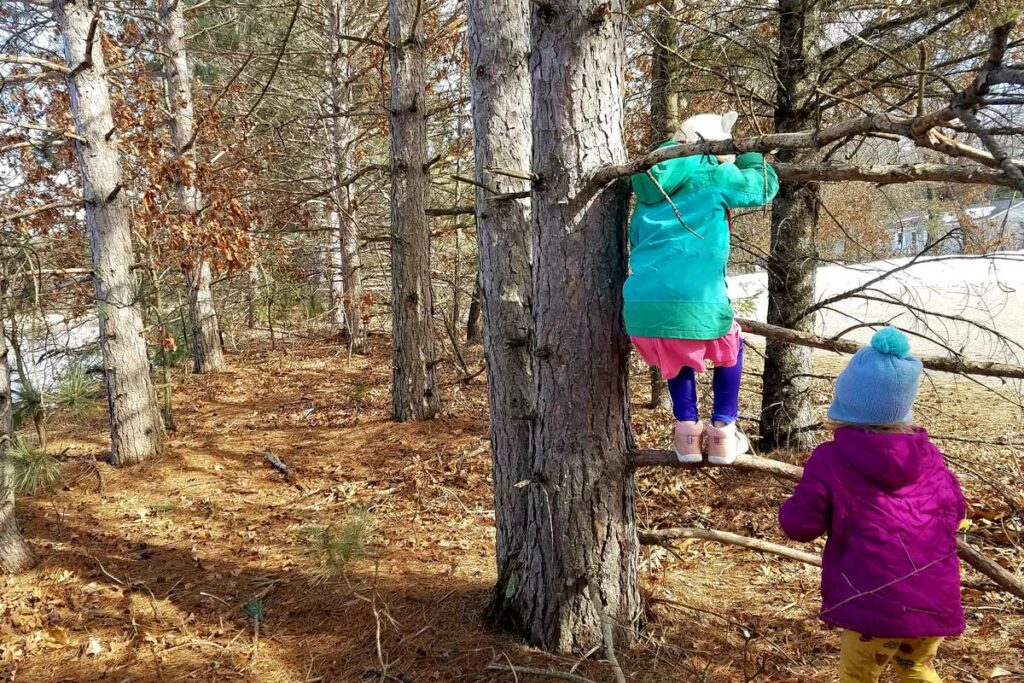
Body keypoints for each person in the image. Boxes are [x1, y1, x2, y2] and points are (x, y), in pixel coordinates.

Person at [779, 327, 966, 683]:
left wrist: (788, 508)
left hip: (874, 601)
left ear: (847, 403)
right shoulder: (929, 455)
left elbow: (800, 526)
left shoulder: (830, 458)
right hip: (932, 596)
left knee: (858, 675)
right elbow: (956, 510)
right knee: (916, 668)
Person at [624, 111, 778, 464]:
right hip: (697, 299)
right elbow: (763, 187)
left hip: (642, 308)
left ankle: (687, 432)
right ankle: (723, 431)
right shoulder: (712, 171)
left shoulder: (650, 178)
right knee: (730, 343)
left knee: (675, 353)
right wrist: (751, 156)